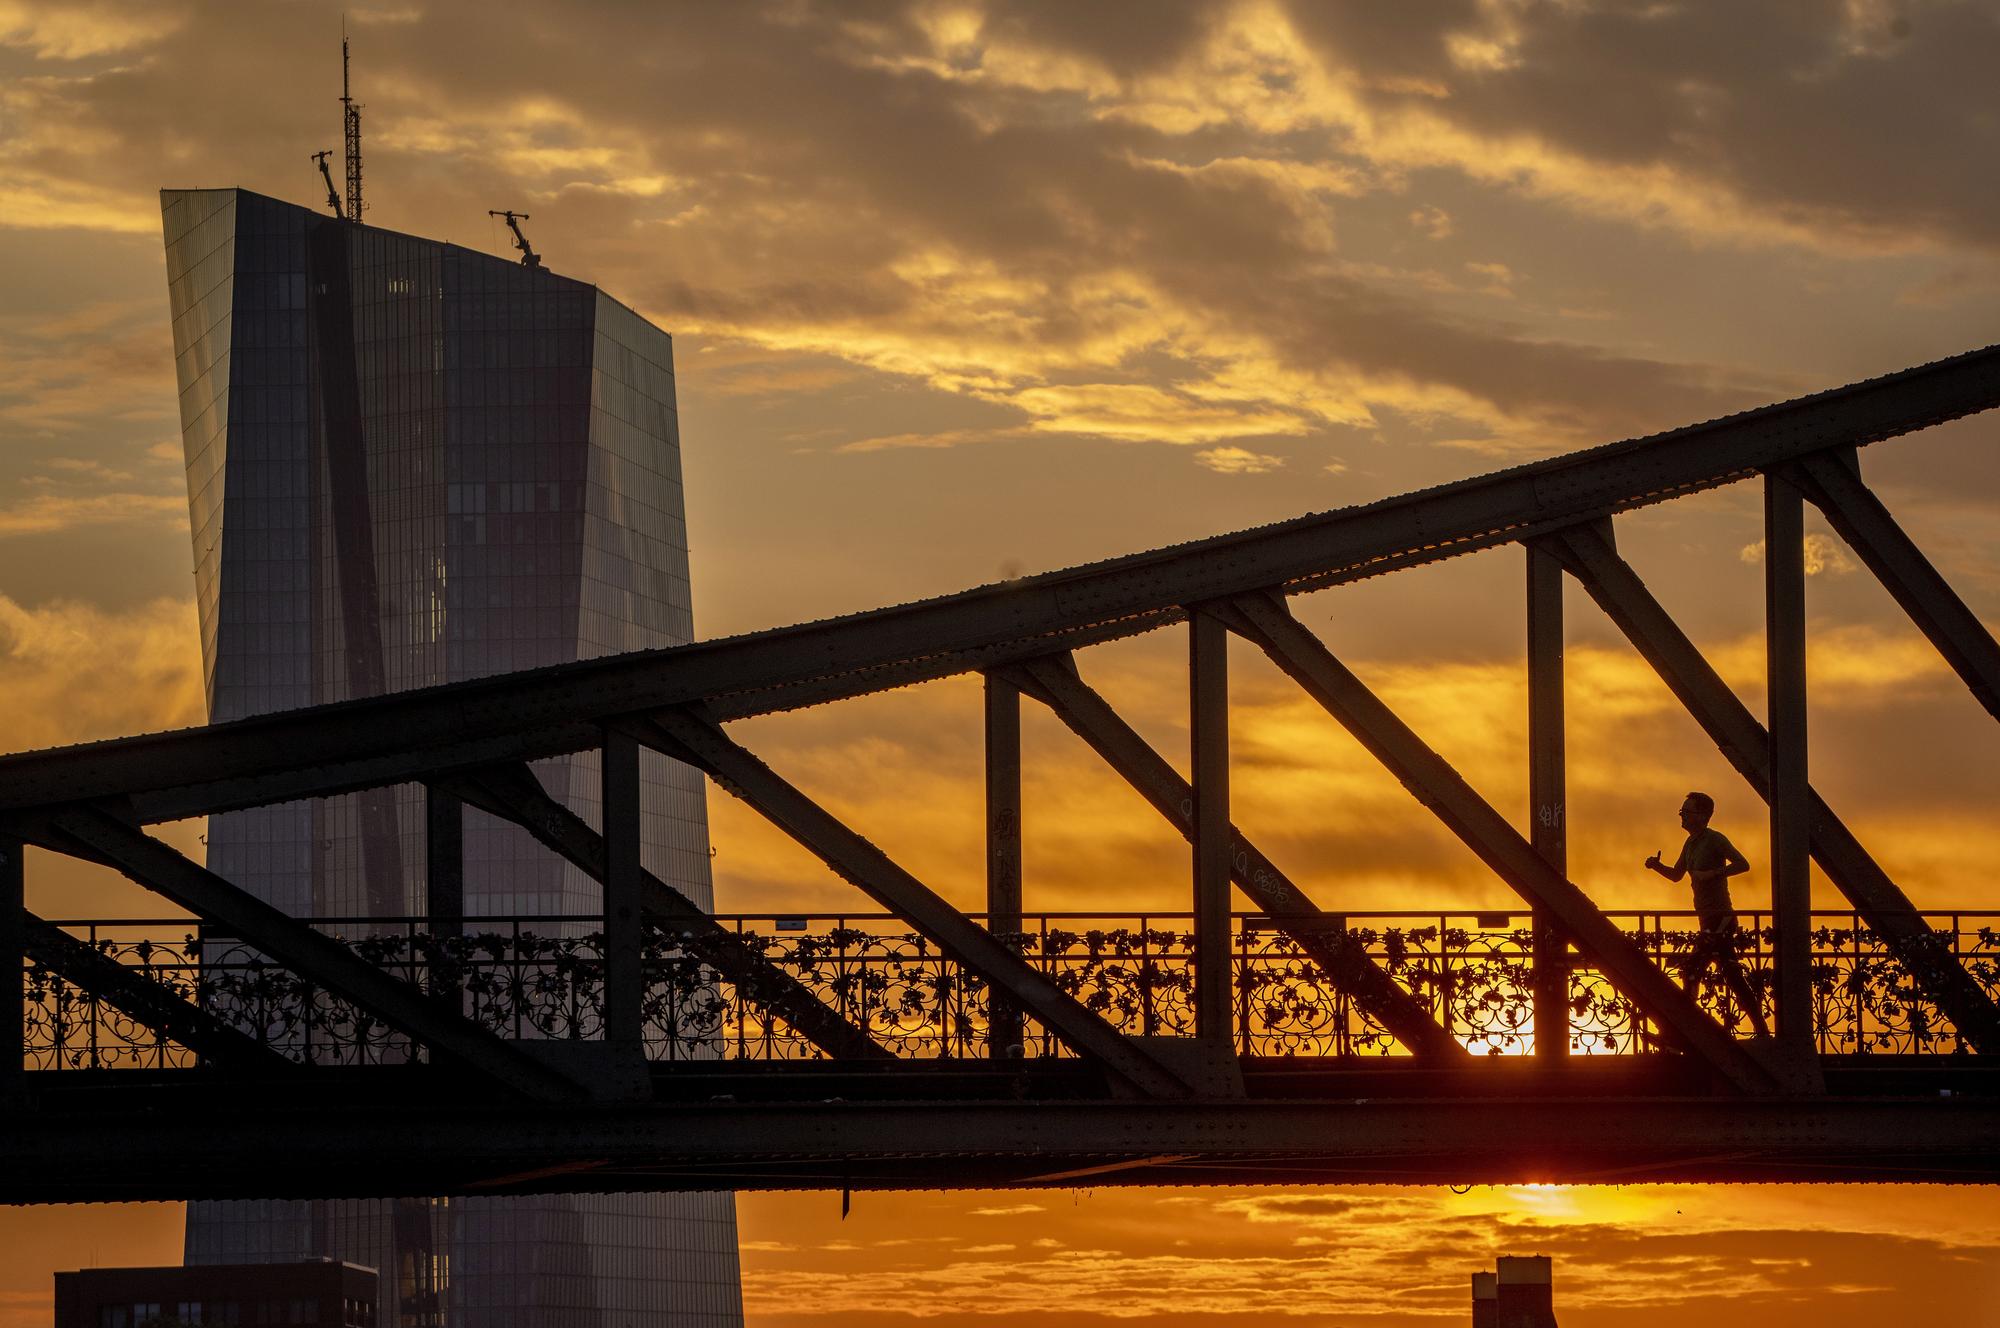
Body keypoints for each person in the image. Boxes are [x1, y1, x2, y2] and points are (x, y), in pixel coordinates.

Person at [1644, 791, 1772, 1038]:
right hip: (1707, 920)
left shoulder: (1715, 840)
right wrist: (1656, 865)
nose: (1681, 816)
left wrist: (1713, 873)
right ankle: (1761, 1030)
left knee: (1693, 970)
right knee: (1731, 976)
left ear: (1703, 816)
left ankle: (1678, 1033)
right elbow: (1676, 875)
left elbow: (1742, 864)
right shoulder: (1690, 843)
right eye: (1681, 812)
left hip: (1721, 919)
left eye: (1686, 812)